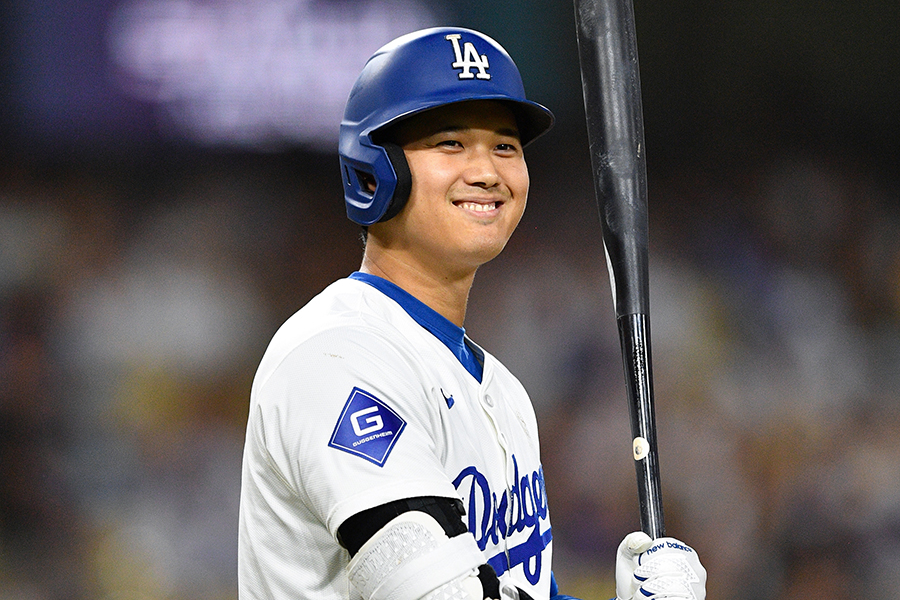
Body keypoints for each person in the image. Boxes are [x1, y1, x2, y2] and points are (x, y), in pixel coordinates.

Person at [238, 27, 706, 600]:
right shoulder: (332, 355)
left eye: (505, 146)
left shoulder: (504, 395)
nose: (487, 171)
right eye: (450, 143)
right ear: (373, 168)